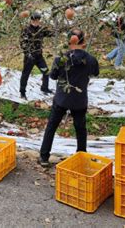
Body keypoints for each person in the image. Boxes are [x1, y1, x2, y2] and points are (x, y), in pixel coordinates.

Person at [39, 29, 99, 167]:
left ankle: (44, 156)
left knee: (52, 126)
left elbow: (53, 76)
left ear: (68, 42)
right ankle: (81, 156)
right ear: (83, 42)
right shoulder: (90, 59)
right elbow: (95, 72)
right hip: (79, 100)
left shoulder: (61, 59)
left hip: (62, 98)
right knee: (80, 129)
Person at [19, 12, 54, 100]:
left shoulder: (41, 29)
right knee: (25, 74)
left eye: (37, 20)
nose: (35, 22)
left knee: (46, 71)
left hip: (39, 56)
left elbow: (50, 34)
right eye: (34, 20)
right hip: (29, 57)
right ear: (31, 20)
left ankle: (44, 88)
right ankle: (22, 92)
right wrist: (28, 54)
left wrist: (57, 29)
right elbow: (22, 43)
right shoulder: (26, 30)